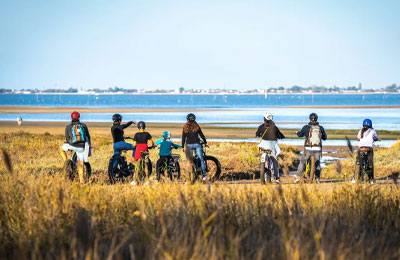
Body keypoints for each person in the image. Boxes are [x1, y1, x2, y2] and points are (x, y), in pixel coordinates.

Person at [59, 111, 91, 183]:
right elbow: (87, 137)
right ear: (79, 117)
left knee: (61, 148)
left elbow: (67, 138)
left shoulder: (68, 127)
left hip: (71, 145)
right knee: (80, 163)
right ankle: (82, 181)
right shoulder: (83, 126)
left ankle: (66, 162)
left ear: (71, 117)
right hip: (81, 146)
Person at [295, 113, 327, 183]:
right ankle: (317, 179)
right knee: (317, 163)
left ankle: (298, 176)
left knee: (302, 162)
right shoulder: (320, 128)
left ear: (309, 119)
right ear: (317, 119)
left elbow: (300, 135)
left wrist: (297, 133)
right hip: (317, 149)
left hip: (308, 148)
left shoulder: (306, 127)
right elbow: (325, 138)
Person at [256, 112, 285, 183]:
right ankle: (277, 178)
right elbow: (280, 136)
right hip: (272, 147)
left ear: (264, 119)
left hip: (263, 147)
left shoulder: (261, 127)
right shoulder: (275, 128)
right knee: (275, 162)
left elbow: (257, 134)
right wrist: (281, 137)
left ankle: (264, 169)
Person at [182, 113, 208, 180]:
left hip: (188, 145)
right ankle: (204, 176)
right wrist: (205, 142)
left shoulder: (185, 127)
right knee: (201, 159)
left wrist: (182, 146)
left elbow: (183, 138)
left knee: (188, 161)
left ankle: (188, 178)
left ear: (187, 119)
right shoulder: (197, 126)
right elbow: (202, 135)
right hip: (197, 144)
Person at [352, 119, 378, 184]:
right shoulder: (373, 131)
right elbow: (376, 137)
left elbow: (358, 138)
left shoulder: (360, 131)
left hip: (361, 149)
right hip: (369, 149)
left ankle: (354, 178)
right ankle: (371, 180)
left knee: (358, 163)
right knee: (370, 164)